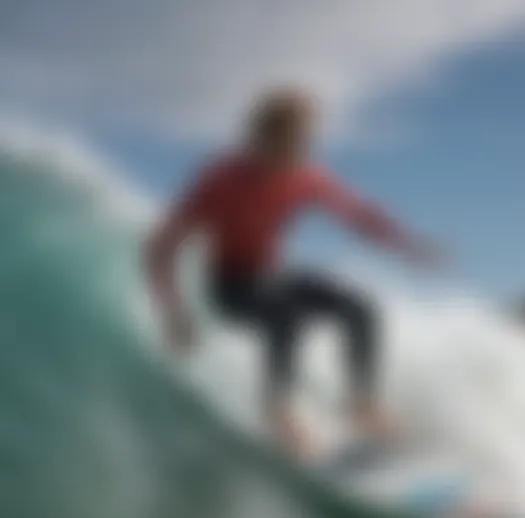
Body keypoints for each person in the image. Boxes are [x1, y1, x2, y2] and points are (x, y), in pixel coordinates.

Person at [144, 88, 441, 460]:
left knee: (359, 307)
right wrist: (174, 314)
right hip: (231, 287)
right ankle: (278, 412)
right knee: (288, 317)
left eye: (304, 140)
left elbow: (360, 216)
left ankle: (362, 406)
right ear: (260, 137)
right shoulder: (220, 180)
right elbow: (160, 248)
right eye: (289, 139)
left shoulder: (305, 176)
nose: (299, 149)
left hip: (273, 277)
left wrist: (410, 247)